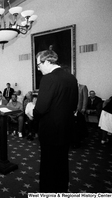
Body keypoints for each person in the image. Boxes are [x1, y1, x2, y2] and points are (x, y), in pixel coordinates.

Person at [33, 50, 78, 192]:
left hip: (50, 132)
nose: (38, 69)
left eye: (39, 65)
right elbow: (74, 104)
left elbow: (40, 109)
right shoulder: (71, 78)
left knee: (48, 167)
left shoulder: (48, 79)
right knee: (62, 164)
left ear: (47, 61)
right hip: (66, 129)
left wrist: (30, 110)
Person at [72, 83, 89, 148]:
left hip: (79, 109)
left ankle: (79, 140)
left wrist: (84, 108)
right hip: (72, 109)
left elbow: (85, 99)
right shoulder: (71, 87)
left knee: (79, 125)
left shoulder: (83, 87)